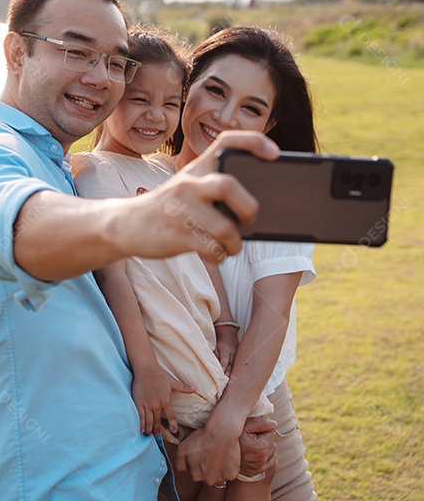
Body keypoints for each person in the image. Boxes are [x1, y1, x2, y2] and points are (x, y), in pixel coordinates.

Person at [0, 0, 279, 501]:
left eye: (115, 61)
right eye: (77, 52)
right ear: (17, 51)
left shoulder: (63, 166)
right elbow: (17, 224)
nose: (101, 77)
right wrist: (136, 222)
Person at [72, 26, 276, 501]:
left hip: (201, 339)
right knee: (195, 472)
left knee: (255, 457)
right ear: (113, 94)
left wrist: (226, 324)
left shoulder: (166, 171)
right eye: (139, 100)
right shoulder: (97, 172)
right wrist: (145, 368)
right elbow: (113, 274)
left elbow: (206, 254)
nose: (155, 116)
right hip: (166, 352)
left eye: (170, 103)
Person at [166, 26, 321, 501]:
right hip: (162, 418)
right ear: (186, 87)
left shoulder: (279, 195)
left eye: (251, 108)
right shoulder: (140, 174)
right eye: (214, 90)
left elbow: (272, 314)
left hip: (253, 412)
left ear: (269, 125)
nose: (225, 117)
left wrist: (226, 425)